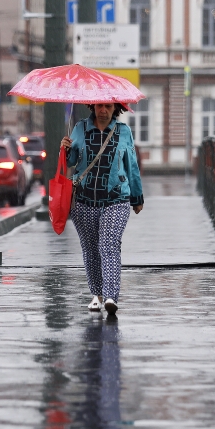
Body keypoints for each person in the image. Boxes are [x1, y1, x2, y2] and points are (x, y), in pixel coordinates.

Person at [62, 103, 143, 316]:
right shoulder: (80, 128)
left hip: (116, 198)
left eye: (107, 106)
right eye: (99, 106)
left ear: (115, 108)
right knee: (90, 250)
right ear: (93, 107)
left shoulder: (123, 131)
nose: (103, 111)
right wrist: (65, 148)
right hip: (84, 198)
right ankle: (96, 295)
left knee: (108, 244)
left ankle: (110, 296)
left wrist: (137, 196)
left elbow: (131, 164)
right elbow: (71, 162)